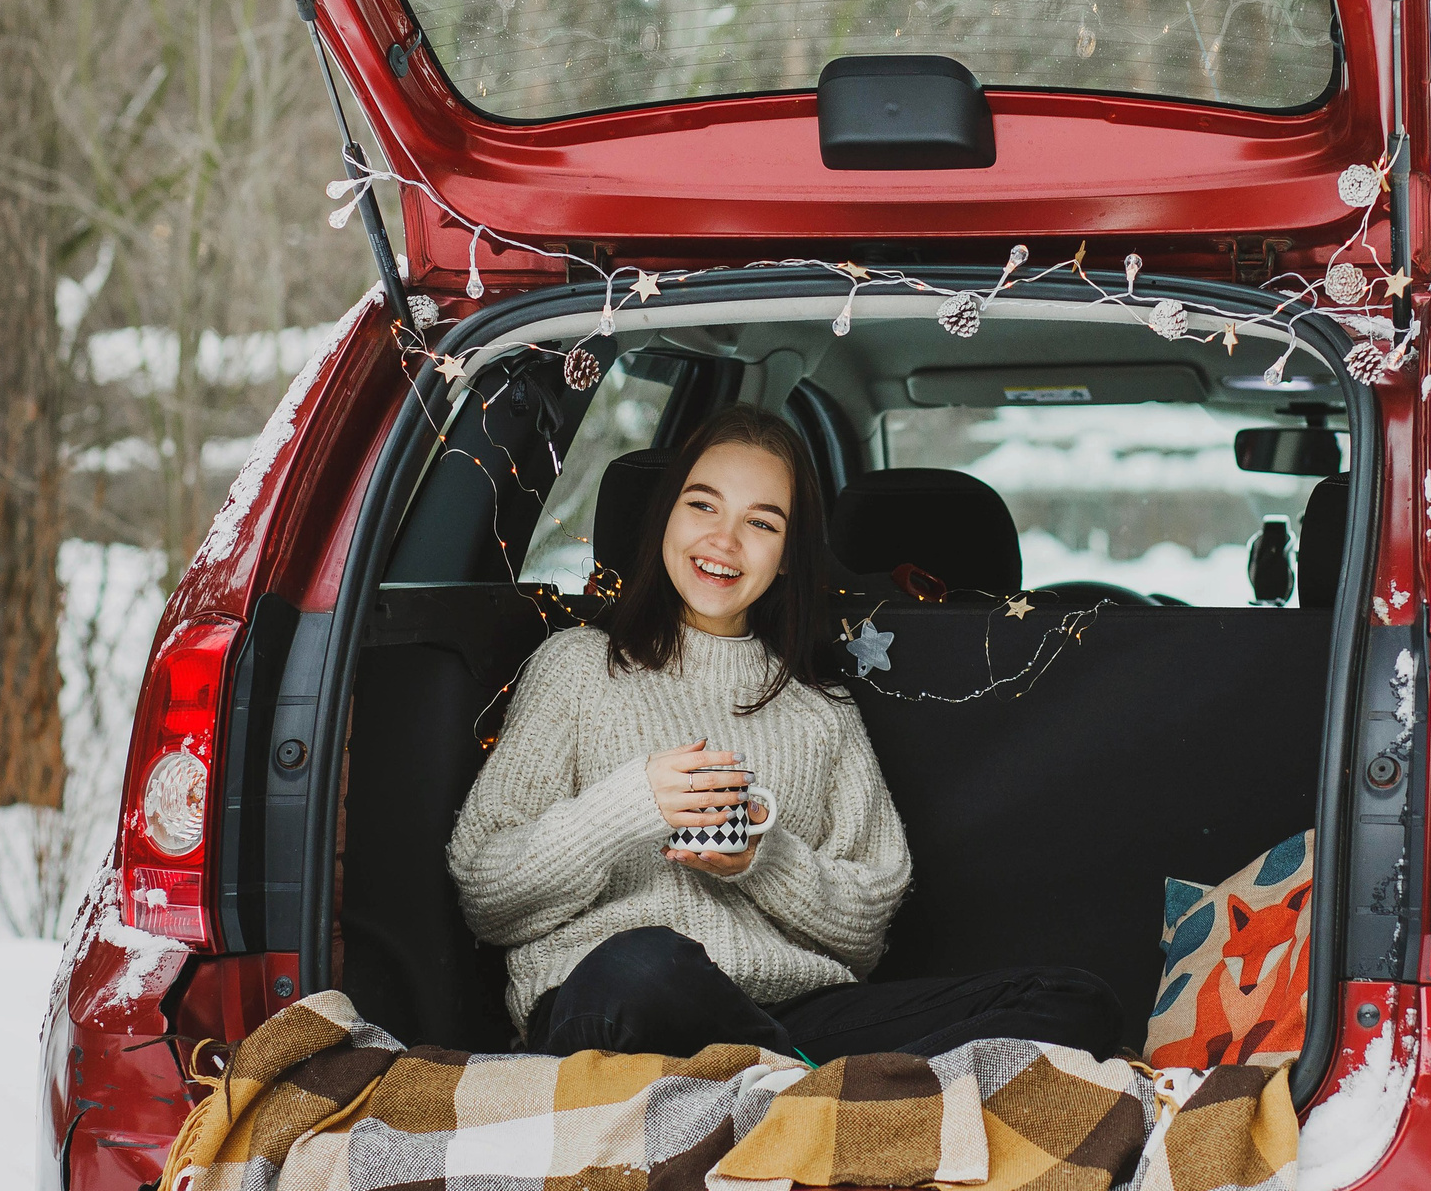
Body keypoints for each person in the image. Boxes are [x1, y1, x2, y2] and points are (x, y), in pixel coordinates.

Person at [448, 403, 1122, 1062]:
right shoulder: (577, 667)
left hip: (795, 1011)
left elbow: (868, 924)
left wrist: (760, 860)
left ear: (791, 555)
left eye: (761, 523)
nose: (723, 541)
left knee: (1071, 998)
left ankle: (779, 1073)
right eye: (703, 506)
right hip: (618, 1003)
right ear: (666, 516)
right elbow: (484, 893)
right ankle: (811, 1081)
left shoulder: (819, 710)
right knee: (646, 963)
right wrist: (629, 806)